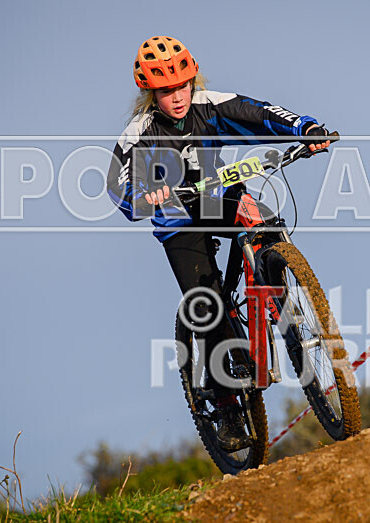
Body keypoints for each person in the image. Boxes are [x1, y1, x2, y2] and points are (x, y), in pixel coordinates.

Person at [107, 36, 331, 451]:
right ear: (150, 93)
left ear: (194, 78)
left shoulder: (210, 103)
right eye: (166, 90)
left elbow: (260, 113)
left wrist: (305, 128)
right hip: (177, 219)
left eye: (183, 85)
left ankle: (275, 282)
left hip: (217, 197)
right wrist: (143, 195)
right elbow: (118, 185)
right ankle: (227, 407)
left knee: (259, 214)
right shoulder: (140, 132)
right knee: (205, 302)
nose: (177, 97)